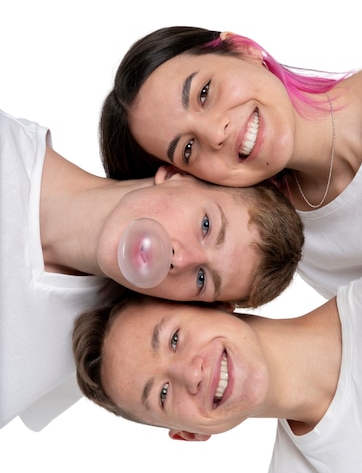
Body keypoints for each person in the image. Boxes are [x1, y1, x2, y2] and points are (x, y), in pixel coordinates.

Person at [73, 250, 362, 473]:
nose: (191, 374)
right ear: (191, 433)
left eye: (175, 339)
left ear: (215, 302)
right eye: (163, 394)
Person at [0, 108, 303, 431]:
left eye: (202, 279)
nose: (181, 259)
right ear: (178, 176)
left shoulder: (106, 356)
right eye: (205, 225)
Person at [99, 27, 362, 298]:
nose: (215, 132)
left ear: (243, 48)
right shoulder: (306, 250)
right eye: (188, 148)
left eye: (204, 92)